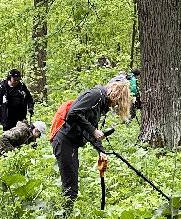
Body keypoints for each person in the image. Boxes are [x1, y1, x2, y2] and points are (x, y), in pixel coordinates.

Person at [51, 78, 132, 209]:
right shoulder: (96, 95)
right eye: (118, 101)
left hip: (70, 142)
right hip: (64, 140)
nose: (115, 105)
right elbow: (73, 113)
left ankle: (64, 214)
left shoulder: (100, 103)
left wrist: (101, 151)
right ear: (117, 93)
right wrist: (94, 131)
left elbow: (89, 126)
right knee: (70, 187)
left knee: (71, 185)